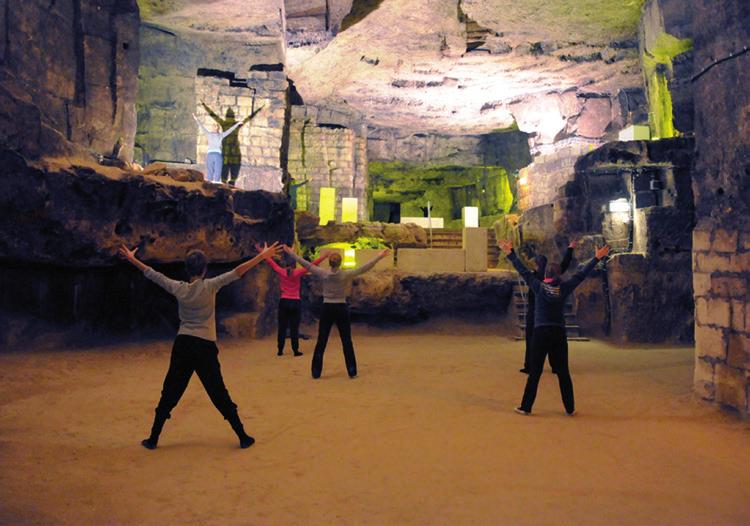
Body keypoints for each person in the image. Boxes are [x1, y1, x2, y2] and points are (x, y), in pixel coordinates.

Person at [118, 241, 282, 450]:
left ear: (187, 269)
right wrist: (262, 256)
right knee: (218, 392)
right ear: (204, 269)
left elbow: (152, 274)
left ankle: (153, 438)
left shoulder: (179, 288)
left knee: (170, 391)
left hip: (184, 343)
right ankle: (242, 435)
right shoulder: (211, 286)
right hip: (204, 346)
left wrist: (132, 259)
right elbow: (238, 271)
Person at [498, 239, 610, 416]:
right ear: (558, 276)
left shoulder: (538, 287)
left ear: (545, 275)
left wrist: (510, 253)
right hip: (558, 332)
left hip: (541, 333)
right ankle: (569, 407)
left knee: (535, 373)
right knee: (563, 372)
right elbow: (580, 275)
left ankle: (526, 406)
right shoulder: (564, 288)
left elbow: (524, 271)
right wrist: (596, 258)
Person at [283, 245, 391, 379]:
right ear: (340, 263)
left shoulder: (324, 273)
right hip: (341, 307)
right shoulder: (345, 274)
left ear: (329, 263)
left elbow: (307, 265)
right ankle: (352, 370)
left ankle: (316, 372)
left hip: (327, 306)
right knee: (346, 340)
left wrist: (292, 254)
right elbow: (364, 268)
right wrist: (379, 257)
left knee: (322, 340)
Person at [256, 243, 329, 357]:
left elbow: (270, 261)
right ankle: (295, 350)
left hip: (284, 301)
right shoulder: (298, 272)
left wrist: (261, 250)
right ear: (294, 265)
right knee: (294, 327)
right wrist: (324, 257)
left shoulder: (281, 271)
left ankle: (280, 350)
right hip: (295, 301)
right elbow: (312, 265)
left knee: (282, 326)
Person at [521, 240, 577, 374]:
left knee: (531, 341)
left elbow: (522, 271)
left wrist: (510, 253)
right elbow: (564, 265)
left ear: (537, 264)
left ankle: (530, 365)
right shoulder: (552, 278)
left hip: (535, 313)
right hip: (551, 314)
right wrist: (570, 249)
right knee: (553, 343)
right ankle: (556, 366)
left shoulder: (535, 279)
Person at [201, 102, 263, 186]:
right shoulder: (229, 124)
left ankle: (226, 181)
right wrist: (257, 110)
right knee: (228, 164)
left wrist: (204, 106)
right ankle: (227, 181)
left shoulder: (224, 123)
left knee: (226, 164)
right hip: (230, 147)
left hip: (228, 147)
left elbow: (213, 115)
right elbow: (247, 119)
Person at [192, 112, 243, 184]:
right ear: (218, 129)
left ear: (213, 129)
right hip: (217, 155)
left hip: (210, 155)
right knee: (217, 176)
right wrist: (237, 124)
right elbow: (230, 130)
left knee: (209, 176)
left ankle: (208, 189)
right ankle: (216, 188)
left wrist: (195, 118)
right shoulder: (221, 135)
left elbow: (201, 126)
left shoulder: (209, 134)